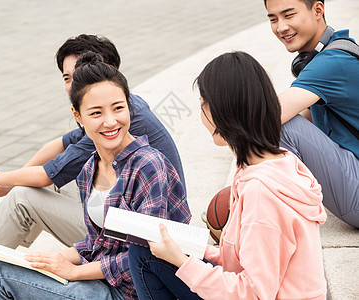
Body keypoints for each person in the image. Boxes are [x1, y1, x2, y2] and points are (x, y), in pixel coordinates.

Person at [0, 35, 185, 300]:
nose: (110, 121)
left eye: (118, 108)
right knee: (3, 263)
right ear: (77, 114)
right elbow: (97, 242)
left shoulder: (146, 163)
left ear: (128, 102)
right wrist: (49, 259)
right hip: (108, 270)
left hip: (133, 290)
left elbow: (146, 257)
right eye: (68, 78)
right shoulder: (93, 165)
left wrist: (74, 271)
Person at [128, 51, 327, 299]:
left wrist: (181, 261)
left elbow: (253, 293)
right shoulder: (279, 163)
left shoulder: (261, 192)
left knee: (143, 256)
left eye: (203, 104)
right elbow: (245, 257)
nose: (202, 115)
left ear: (225, 110)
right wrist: (197, 250)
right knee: (146, 247)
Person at [265, 0, 359, 227]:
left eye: (289, 15)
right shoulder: (338, 50)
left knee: (281, 126)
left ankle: (268, 216)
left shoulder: (331, 63)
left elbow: (263, 119)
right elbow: (305, 116)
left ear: (318, 10)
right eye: (273, 18)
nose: (281, 27)